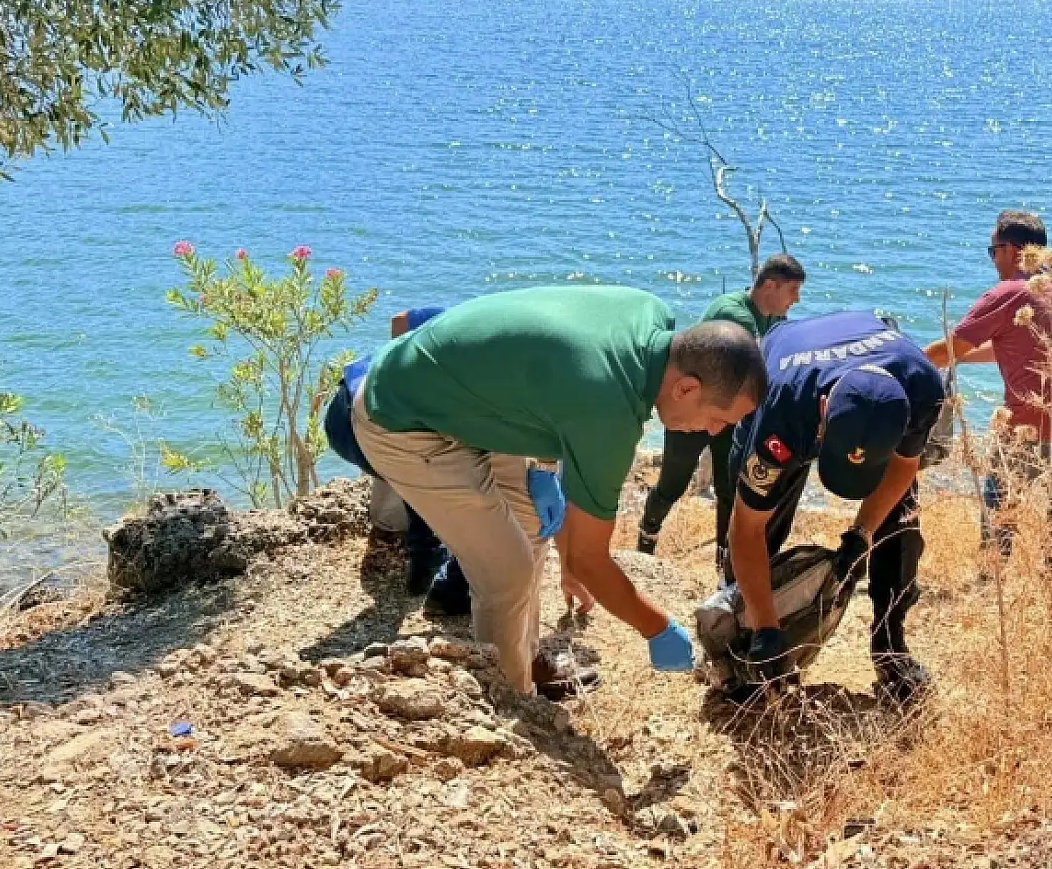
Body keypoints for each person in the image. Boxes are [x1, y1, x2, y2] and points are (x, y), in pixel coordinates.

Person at [351, 285, 767, 698]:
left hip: (465, 395)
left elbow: (552, 371)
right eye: (717, 418)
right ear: (687, 389)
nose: (715, 433)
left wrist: (547, 474)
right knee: (506, 568)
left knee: (532, 523)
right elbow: (591, 559)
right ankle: (510, 702)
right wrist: (656, 628)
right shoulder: (609, 413)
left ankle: (522, 660)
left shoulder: (649, 314)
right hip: (403, 416)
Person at [725, 310, 947, 706]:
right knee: (763, 515)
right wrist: (767, 628)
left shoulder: (921, 386)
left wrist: (860, 536)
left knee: (901, 522)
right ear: (825, 410)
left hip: (865, 368)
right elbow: (746, 527)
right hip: (786, 373)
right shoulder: (781, 410)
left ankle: (890, 645)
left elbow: (903, 467)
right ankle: (743, 641)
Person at [924, 210, 1052, 553]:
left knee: (999, 503)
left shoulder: (1007, 293)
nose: (994, 259)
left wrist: (901, 360)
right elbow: (1019, 348)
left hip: (1036, 423)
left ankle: (992, 574)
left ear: (1010, 250)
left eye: (993, 250)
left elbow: (943, 351)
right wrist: (961, 358)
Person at [637, 254, 807, 565]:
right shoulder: (734, 314)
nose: (796, 300)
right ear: (770, 285)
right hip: (693, 411)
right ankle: (645, 543)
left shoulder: (774, 319)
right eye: (793, 290)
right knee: (672, 485)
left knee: (729, 489)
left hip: (728, 416)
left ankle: (725, 563)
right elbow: (762, 367)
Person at [324, 306, 454, 594]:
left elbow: (400, 320)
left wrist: (401, 364)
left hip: (343, 408)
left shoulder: (455, 320)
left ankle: (391, 528)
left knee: (410, 454)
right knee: (429, 461)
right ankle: (429, 570)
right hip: (365, 422)